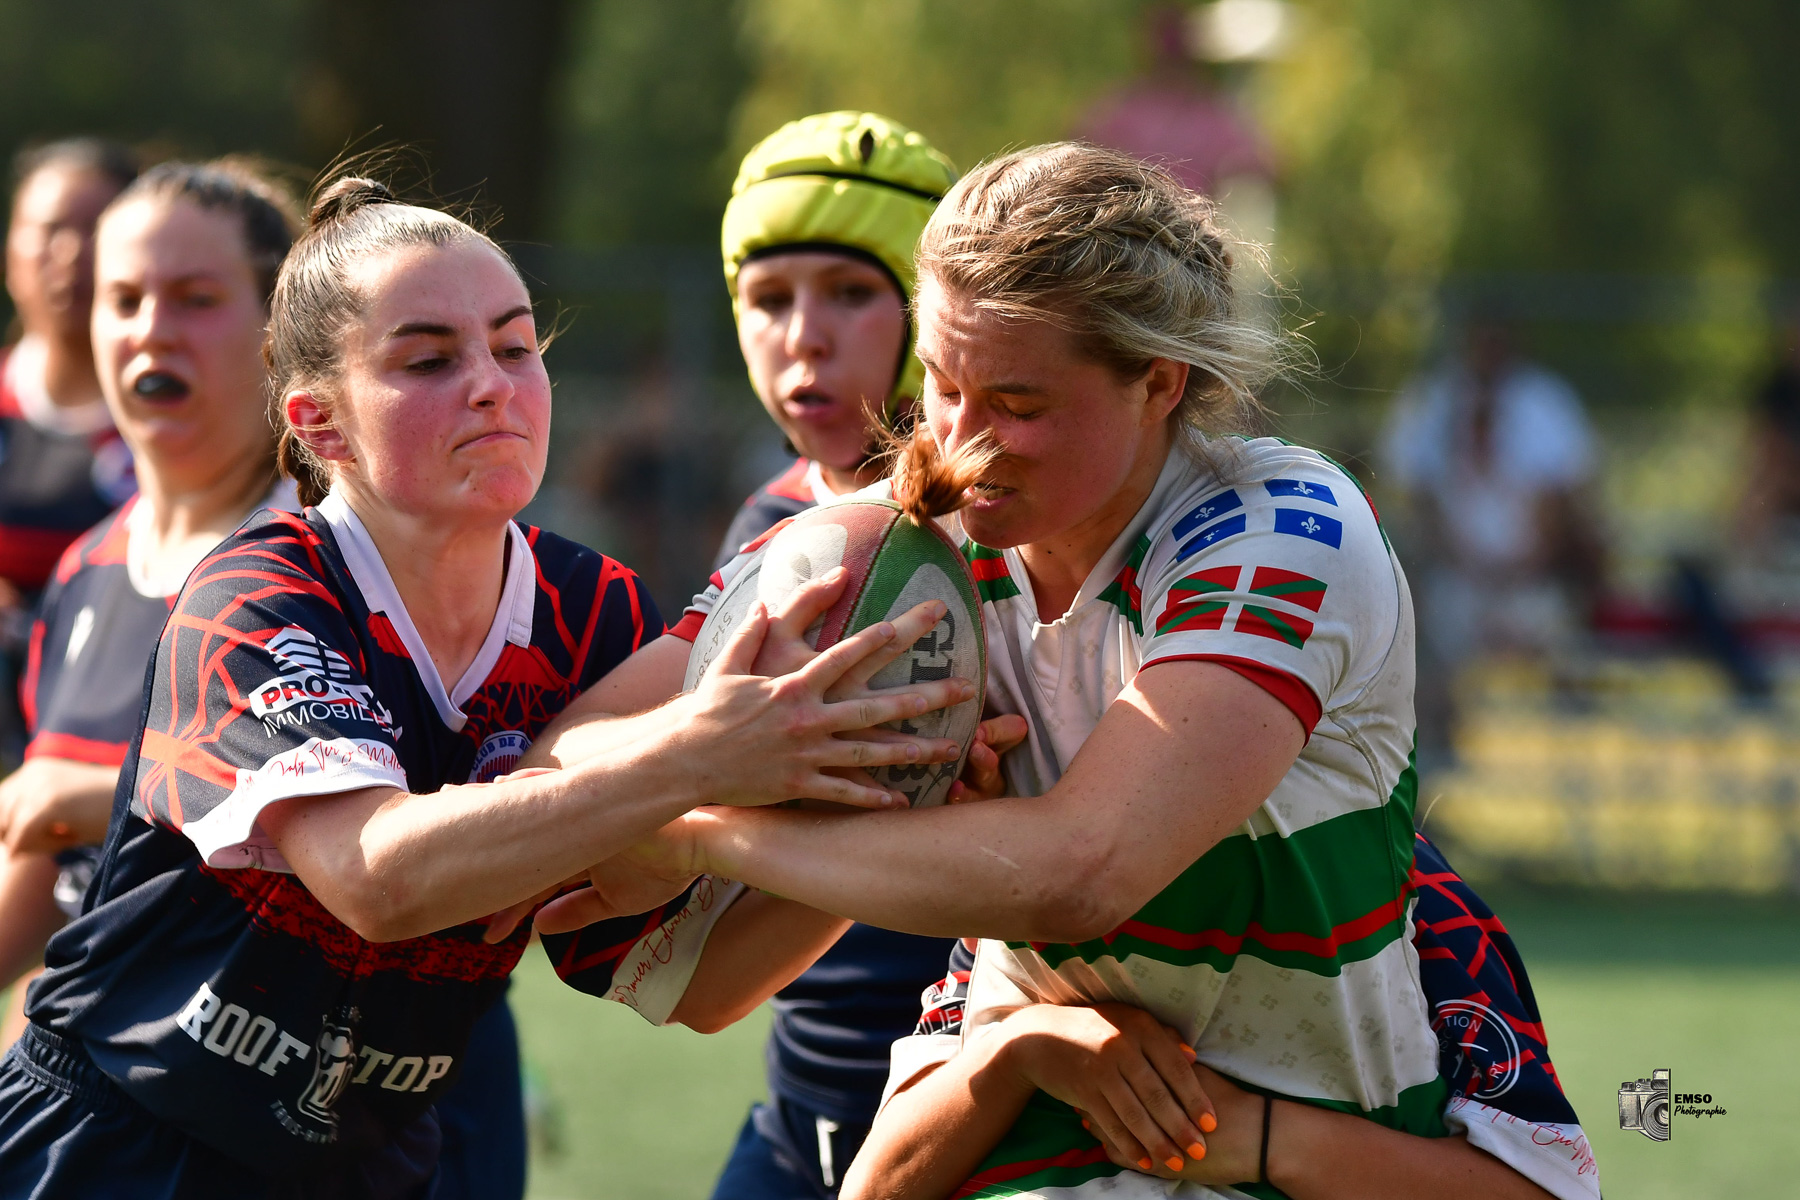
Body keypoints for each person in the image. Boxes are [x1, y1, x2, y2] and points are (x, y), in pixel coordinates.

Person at [528, 144, 1596, 1199]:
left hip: (1311, 1141)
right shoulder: (890, 542)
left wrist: (699, 832)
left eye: (1018, 405)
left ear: (1159, 383)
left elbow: (1081, 872)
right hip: (1039, 1147)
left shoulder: (1282, 528)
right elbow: (567, 763)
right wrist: (711, 755)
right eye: (941, 384)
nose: (961, 445)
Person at [0, 175, 969, 1198]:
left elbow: (700, 985)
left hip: (363, 1169)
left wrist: (901, 790)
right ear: (320, 424)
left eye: (515, 348)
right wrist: (695, 757)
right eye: (429, 360)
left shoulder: (594, 612)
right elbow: (378, 878)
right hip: (121, 1147)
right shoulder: (258, 592)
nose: (492, 385)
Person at [708, 109, 973, 1200]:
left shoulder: (1014, 524)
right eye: (768, 298)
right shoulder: (762, 528)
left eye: (852, 292)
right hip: (803, 1103)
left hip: (990, 1099)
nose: (803, 336)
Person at [0, 160, 302, 1039]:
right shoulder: (84, 569)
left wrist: (106, 795)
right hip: (110, 1086)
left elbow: (375, 828)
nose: (151, 331)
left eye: (195, 299)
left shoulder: (332, 558)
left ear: (280, 328)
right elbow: (55, 870)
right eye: (123, 299)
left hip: (322, 1096)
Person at [1379, 317, 1604, 765]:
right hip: (1458, 582)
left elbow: (1566, 510)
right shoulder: (1437, 432)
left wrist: (1527, 564)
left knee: (1561, 634)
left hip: (1528, 582)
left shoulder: (1540, 425)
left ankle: (1571, 743)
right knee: (1422, 638)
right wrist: (1465, 565)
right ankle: (1437, 748)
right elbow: (1417, 510)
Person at [0, 139, 140, 761]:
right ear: (11, 254)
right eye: (50, 230)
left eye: (96, 229)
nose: (72, 254)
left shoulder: (182, 422)